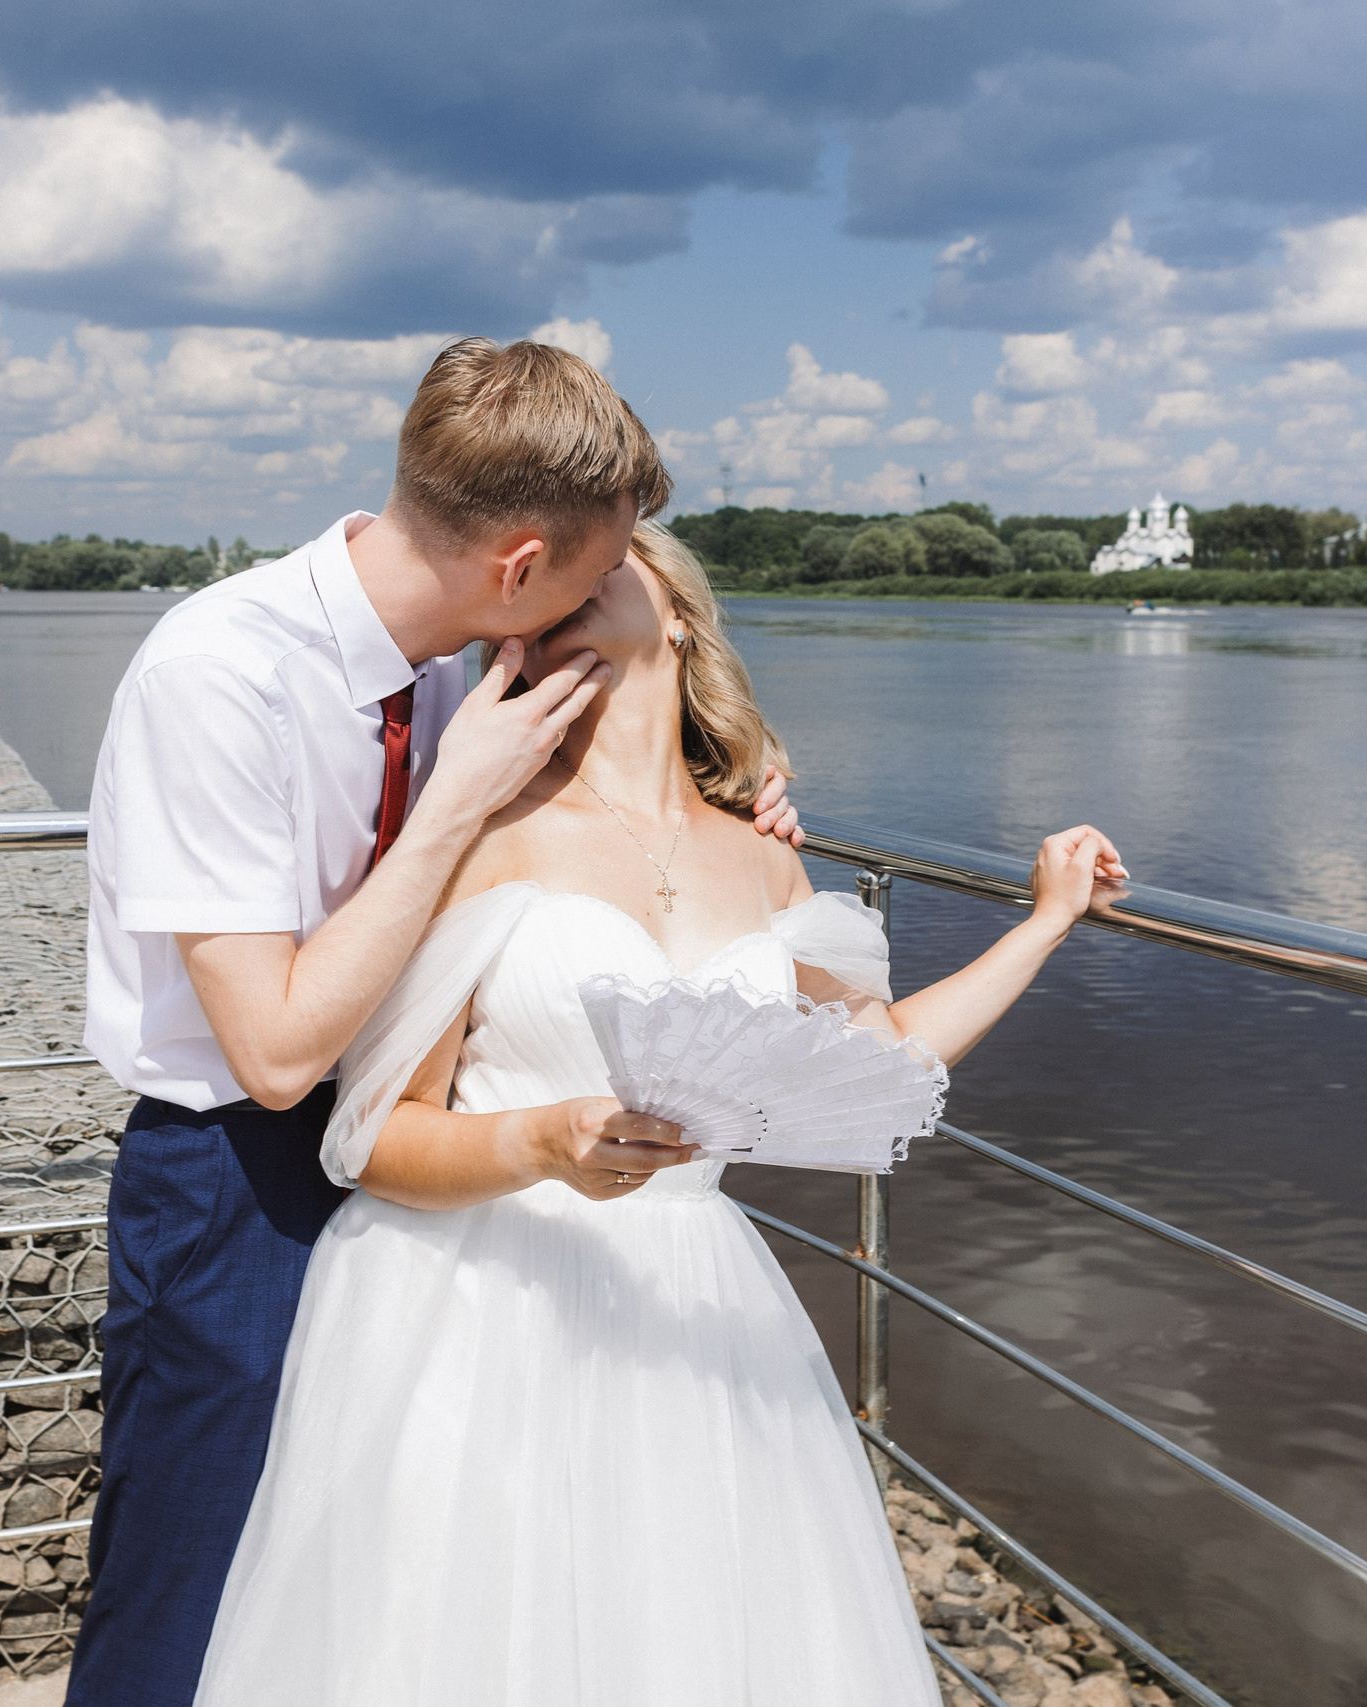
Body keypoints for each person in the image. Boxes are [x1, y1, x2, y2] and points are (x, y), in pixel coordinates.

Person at [197, 523, 1127, 1704]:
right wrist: (537, 1142)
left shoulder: (767, 860)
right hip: (474, 1307)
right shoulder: (479, 832)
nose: (566, 577)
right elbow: (372, 1139)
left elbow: (881, 1062)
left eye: (610, 556)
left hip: (692, 1306)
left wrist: (1043, 922)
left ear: (678, 613)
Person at [69, 340, 805, 1706]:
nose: (599, 610)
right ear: (520, 562)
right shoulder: (219, 674)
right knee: (193, 1586)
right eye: (594, 575)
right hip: (237, 1170)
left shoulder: (473, 662)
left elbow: (596, 807)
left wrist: (744, 800)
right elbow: (279, 1050)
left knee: (377, 1594)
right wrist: (457, 797)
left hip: (436, 1176)